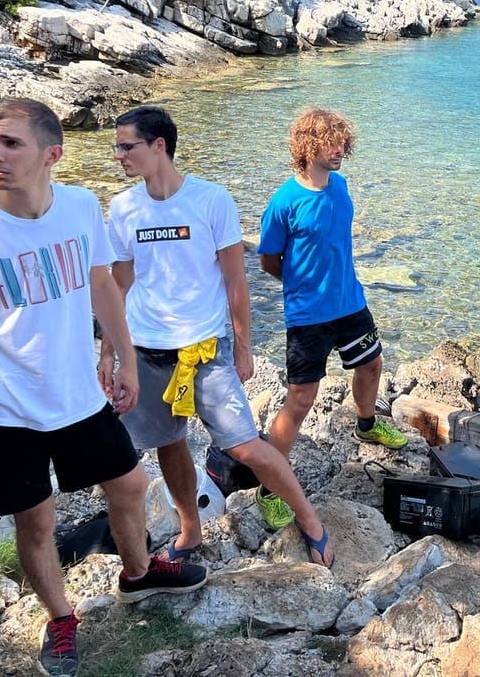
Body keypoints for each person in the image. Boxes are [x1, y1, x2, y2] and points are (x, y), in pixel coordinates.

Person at [0, 98, 208, 677]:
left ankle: (138, 575)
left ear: (51, 154)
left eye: (11, 143)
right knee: (35, 520)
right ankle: (60, 619)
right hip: (8, 406)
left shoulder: (81, 207)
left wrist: (123, 357)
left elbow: (101, 281)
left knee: (129, 483)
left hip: (79, 391)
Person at [100, 106, 333, 569]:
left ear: (158, 146)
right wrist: (110, 351)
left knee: (245, 444)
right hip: (146, 351)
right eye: (117, 147)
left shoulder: (211, 200)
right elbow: (119, 283)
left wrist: (242, 348)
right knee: (169, 444)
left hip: (205, 351)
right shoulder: (123, 207)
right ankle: (191, 530)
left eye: (127, 146)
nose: (118, 155)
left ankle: (311, 522)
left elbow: (235, 282)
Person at [258, 107, 408, 464]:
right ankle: (269, 485)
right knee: (301, 398)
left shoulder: (340, 185)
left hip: (350, 303)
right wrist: (301, 283)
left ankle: (367, 424)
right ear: (309, 147)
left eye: (343, 144)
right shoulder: (283, 203)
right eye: (332, 144)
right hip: (308, 315)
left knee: (371, 365)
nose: (341, 151)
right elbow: (268, 260)